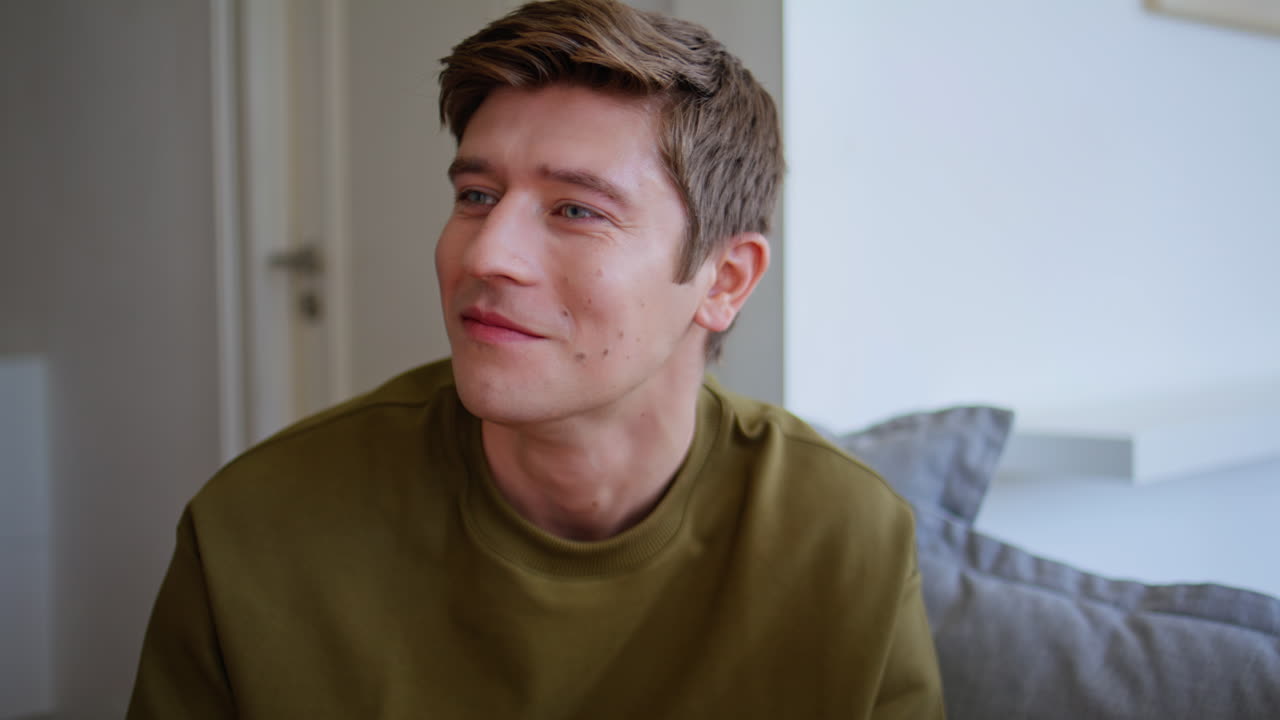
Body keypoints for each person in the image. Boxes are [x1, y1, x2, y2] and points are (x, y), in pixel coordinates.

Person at [127, 0, 944, 717]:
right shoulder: (257, 531)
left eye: (576, 209)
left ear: (724, 280)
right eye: (476, 196)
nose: (488, 256)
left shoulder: (847, 542)